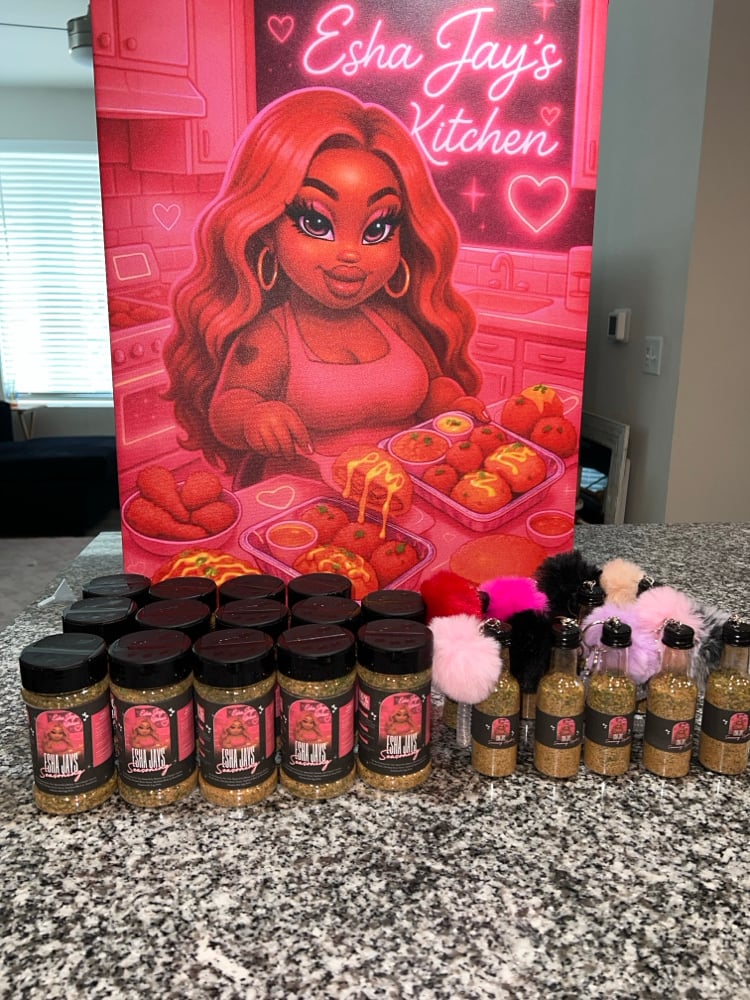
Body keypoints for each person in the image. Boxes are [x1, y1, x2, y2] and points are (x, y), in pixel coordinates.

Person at [164, 87, 486, 486]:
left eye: (377, 229)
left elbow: (433, 386)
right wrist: (254, 417)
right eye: (316, 223)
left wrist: (454, 404)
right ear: (266, 230)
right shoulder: (273, 334)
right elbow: (230, 405)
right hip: (306, 500)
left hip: (402, 491)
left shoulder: (392, 323)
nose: (350, 253)